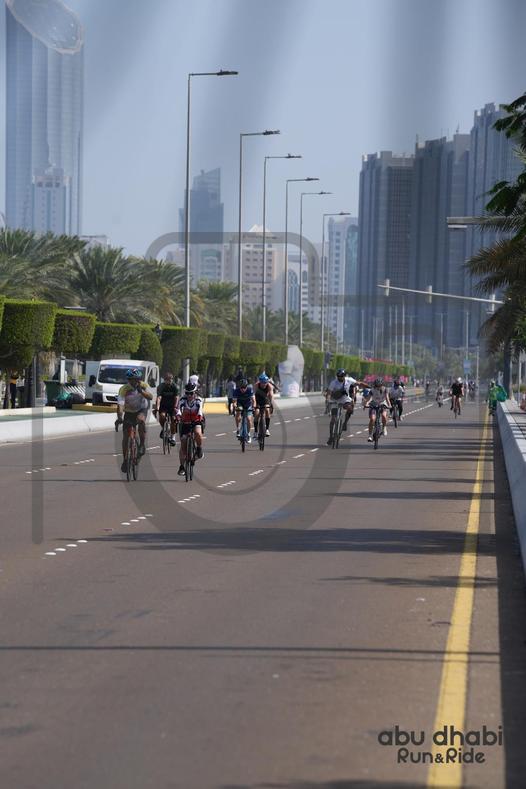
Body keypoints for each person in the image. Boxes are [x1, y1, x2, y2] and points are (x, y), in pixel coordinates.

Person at [116, 368, 153, 472]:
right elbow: (120, 405)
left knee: (141, 420)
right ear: (128, 380)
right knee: (126, 436)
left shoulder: (143, 385)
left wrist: (142, 391)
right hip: (129, 412)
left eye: (137, 379)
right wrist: (120, 417)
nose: (135, 381)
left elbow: (150, 397)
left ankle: (142, 445)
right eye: (132, 379)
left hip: (141, 409)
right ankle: (125, 460)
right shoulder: (124, 389)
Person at [176, 382, 204, 475]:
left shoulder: (198, 400)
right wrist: (178, 416)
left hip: (197, 419)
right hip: (185, 421)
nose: (189, 395)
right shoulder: (182, 400)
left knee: (197, 433)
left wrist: (199, 418)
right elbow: (178, 410)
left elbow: (200, 411)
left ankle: (199, 448)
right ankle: (182, 467)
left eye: (191, 393)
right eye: (187, 393)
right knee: (183, 442)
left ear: (195, 392)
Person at [326, 368, 359, 444]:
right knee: (333, 419)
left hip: (345, 399)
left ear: (344, 376)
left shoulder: (349, 380)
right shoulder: (333, 383)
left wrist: (369, 387)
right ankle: (331, 436)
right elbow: (329, 393)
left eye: (342, 376)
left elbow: (358, 385)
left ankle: (345, 422)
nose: (340, 377)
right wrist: (328, 400)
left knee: (350, 409)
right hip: (335, 400)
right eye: (339, 376)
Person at [154, 371, 179, 446]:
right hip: (163, 405)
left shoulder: (175, 386)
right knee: (162, 416)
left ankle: (173, 437)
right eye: (167, 379)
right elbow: (159, 397)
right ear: (164, 380)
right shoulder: (161, 386)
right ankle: (164, 428)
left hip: (172, 405)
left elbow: (176, 397)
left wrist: (175, 407)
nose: (169, 381)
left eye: (171, 379)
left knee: (173, 419)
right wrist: (157, 408)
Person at [365, 377, 391, 442]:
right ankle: (370, 435)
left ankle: (384, 428)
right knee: (372, 419)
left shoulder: (385, 389)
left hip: (383, 403)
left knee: (384, 416)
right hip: (374, 404)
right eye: (377, 386)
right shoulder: (372, 390)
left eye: (380, 385)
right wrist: (366, 404)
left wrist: (389, 405)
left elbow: (387, 398)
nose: (378, 387)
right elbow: (368, 398)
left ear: (382, 385)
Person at [253, 373, 273, 437]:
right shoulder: (256, 385)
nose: (264, 384)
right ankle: (255, 431)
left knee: (267, 410)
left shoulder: (269, 386)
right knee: (257, 413)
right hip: (257, 400)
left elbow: (271, 395)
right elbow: (253, 396)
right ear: (260, 382)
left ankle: (267, 429)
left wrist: (271, 404)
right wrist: (254, 405)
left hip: (265, 399)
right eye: (262, 382)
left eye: (265, 382)